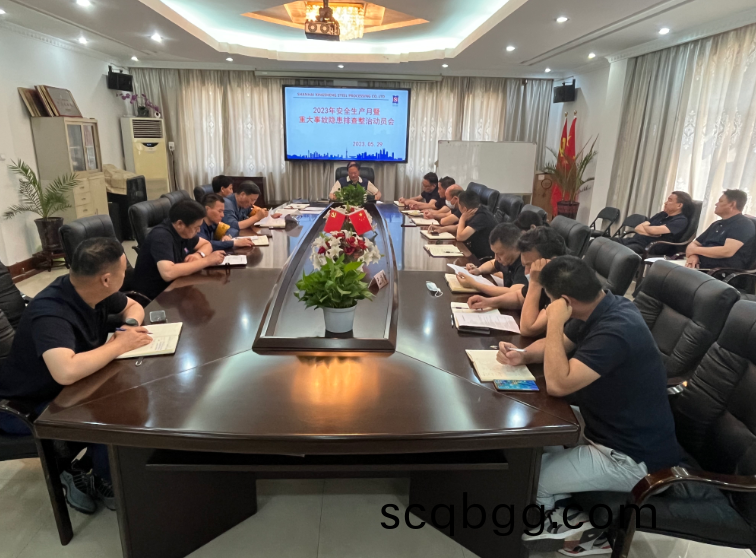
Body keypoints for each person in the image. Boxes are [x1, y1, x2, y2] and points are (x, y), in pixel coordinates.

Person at [497, 256, 679, 553]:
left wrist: (555, 321)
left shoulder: (616, 330)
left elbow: (558, 384)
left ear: (565, 302)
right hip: (606, 428)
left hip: (631, 458)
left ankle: (565, 528)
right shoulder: (603, 306)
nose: (550, 307)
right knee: (533, 436)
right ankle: (569, 505)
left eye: (551, 302)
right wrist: (524, 354)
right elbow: (561, 345)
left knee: (533, 476)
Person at [0, 238, 154, 513]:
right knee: (113, 407)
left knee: (123, 390)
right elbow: (66, 372)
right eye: (123, 270)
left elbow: (132, 306)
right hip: (22, 406)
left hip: (64, 390)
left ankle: (99, 467)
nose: (126, 274)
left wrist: (129, 327)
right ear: (106, 279)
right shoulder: (51, 312)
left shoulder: (91, 289)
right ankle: (96, 476)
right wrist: (119, 345)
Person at [467, 226, 566, 337]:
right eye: (524, 266)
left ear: (551, 262)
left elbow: (528, 328)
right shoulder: (546, 278)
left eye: (530, 265)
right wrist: (488, 302)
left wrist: (535, 282)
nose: (526, 272)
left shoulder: (563, 288)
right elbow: (519, 297)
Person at [134, 199, 226, 300]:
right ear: (180, 224)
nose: (198, 230)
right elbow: (168, 273)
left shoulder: (183, 231)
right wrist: (207, 261)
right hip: (154, 297)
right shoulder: (161, 237)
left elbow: (206, 244)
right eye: (196, 227)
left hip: (176, 286)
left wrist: (198, 255)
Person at [686, 189, 755, 270]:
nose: (716, 204)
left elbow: (726, 251)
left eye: (720, 201)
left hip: (720, 271)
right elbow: (694, 244)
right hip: (700, 266)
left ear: (732, 204)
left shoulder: (743, 224)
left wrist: (695, 250)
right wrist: (693, 256)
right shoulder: (716, 224)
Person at [458, 223, 527, 297]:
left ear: (516, 248)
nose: (496, 258)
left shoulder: (525, 263)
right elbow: (492, 264)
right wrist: (479, 270)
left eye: (500, 254)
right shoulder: (507, 258)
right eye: (495, 253)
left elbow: (514, 293)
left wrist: (474, 284)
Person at [619, 191, 693, 254]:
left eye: (670, 200)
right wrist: (651, 232)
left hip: (648, 247)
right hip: (634, 240)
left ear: (679, 205)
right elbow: (638, 228)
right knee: (611, 242)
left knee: (621, 252)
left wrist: (647, 227)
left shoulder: (681, 220)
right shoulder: (661, 214)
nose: (665, 203)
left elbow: (653, 230)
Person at [454, 190, 498, 260]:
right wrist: (443, 229)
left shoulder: (481, 217)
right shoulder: (477, 210)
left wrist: (462, 218)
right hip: (472, 250)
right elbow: (463, 227)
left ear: (464, 209)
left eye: (458, 205)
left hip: (482, 258)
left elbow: (460, 237)